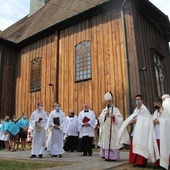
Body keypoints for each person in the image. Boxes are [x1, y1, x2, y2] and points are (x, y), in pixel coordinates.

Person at [118, 94, 152, 167]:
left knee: (141, 145)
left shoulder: (144, 109)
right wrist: (130, 121)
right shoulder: (136, 109)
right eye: (136, 99)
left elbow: (147, 120)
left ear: (142, 100)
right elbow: (133, 117)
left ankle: (141, 162)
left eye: (139, 99)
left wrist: (137, 120)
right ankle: (134, 160)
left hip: (142, 131)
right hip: (136, 130)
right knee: (134, 145)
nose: (137, 101)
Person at [98, 92, 129, 161]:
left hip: (113, 128)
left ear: (112, 101)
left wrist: (114, 117)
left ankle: (113, 157)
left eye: (109, 101)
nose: (108, 103)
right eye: (107, 102)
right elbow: (100, 119)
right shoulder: (104, 110)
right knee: (106, 142)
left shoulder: (115, 110)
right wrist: (105, 116)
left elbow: (120, 119)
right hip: (106, 129)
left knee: (113, 142)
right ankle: (107, 156)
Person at [148, 97, 170, 170]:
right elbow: (152, 119)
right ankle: (157, 163)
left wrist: (159, 121)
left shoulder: (165, 112)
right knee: (156, 149)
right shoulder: (155, 112)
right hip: (156, 134)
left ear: (159, 103)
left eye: (155, 104)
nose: (154, 105)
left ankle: (164, 164)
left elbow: (167, 122)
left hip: (162, 135)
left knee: (163, 149)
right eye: (154, 104)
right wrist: (153, 121)